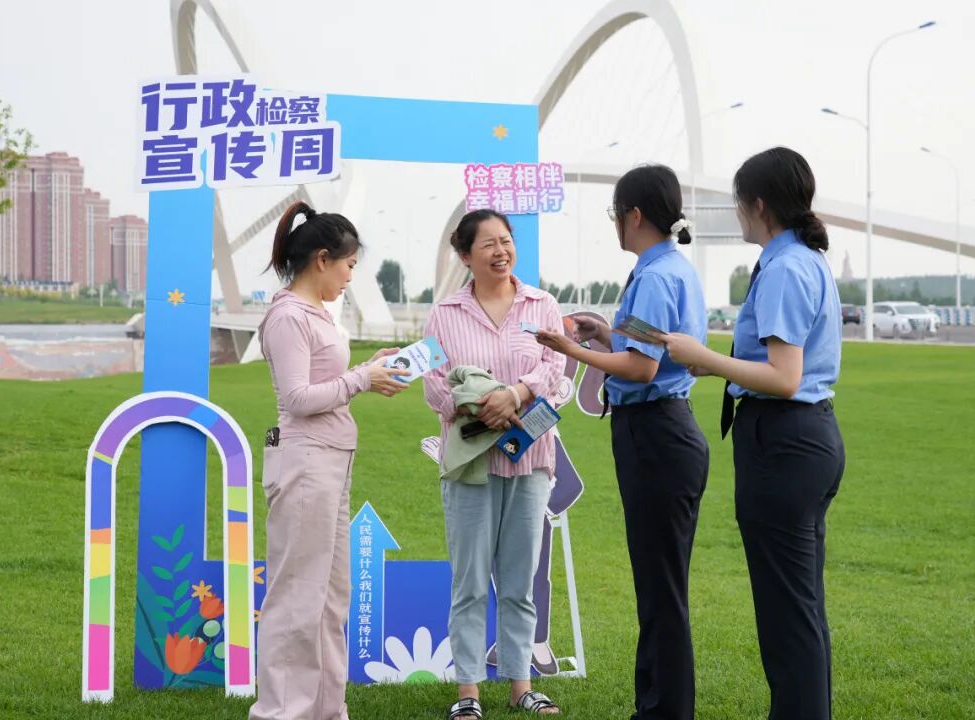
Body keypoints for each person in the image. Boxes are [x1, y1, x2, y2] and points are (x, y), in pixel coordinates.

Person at [661, 147, 845, 720]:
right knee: (801, 609)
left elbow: (784, 378)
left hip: (785, 443)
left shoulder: (785, 268)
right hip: (805, 439)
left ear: (758, 205)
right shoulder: (805, 259)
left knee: (788, 614)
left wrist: (705, 358)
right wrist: (713, 361)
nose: (737, 212)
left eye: (738, 202)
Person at [535, 164, 709, 720]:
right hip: (663, 431)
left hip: (656, 433)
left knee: (660, 589)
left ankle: (663, 710)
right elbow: (647, 350)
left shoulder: (654, 277)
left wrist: (571, 348)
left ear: (633, 215)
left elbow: (640, 368)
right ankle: (656, 705)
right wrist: (603, 334)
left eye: (615, 213)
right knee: (659, 585)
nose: (614, 223)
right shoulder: (665, 269)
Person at [250, 201, 409, 720]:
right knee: (298, 596)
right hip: (305, 463)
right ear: (323, 259)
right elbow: (298, 398)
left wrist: (368, 368)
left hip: (330, 461)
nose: (350, 277)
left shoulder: (314, 314)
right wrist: (362, 379)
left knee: (330, 596)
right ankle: (281, 712)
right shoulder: (287, 317)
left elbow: (322, 382)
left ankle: (325, 710)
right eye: (349, 265)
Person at [422, 209, 564, 719]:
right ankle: (468, 693)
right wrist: (480, 407)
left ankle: (521, 685)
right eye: (488, 244)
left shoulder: (542, 305)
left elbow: (555, 365)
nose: (501, 251)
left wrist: (517, 393)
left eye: (506, 241)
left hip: (530, 461)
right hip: (470, 464)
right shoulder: (444, 314)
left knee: (520, 581)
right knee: (470, 583)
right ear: (465, 256)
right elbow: (433, 381)